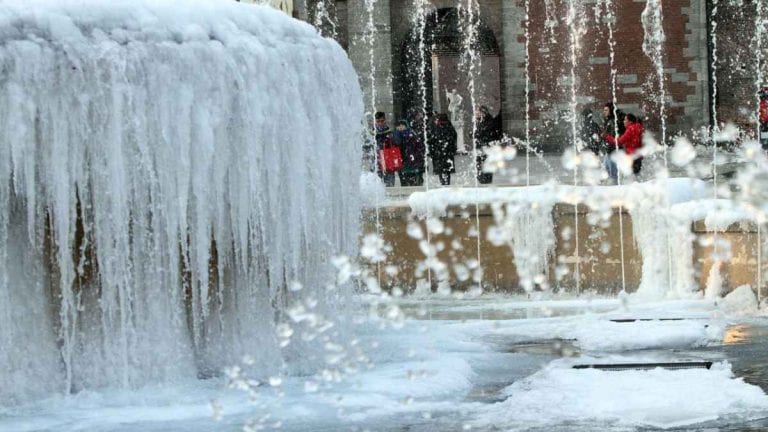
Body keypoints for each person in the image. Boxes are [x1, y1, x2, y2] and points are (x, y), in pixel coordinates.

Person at [603, 113, 644, 182]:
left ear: (630, 122)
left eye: (625, 120)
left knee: (630, 180)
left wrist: (607, 137)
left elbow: (618, 142)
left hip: (631, 157)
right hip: (637, 157)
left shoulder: (630, 129)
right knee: (635, 179)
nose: (623, 121)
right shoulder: (639, 128)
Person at [473, 106, 502, 184]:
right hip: (480, 145)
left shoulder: (489, 121)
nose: (476, 113)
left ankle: (486, 180)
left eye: (478, 112)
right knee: (479, 163)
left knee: (486, 162)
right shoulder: (479, 121)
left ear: (483, 113)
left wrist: (478, 134)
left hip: (487, 146)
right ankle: (482, 178)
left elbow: (489, 133)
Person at [393, 120, 426, 186]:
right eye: (399, 126)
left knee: (412, 178)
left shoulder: (411, 134)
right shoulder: (396, 135)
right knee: (404, 180)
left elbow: (418, 147)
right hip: (402, 160)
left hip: (411, 159)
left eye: (402, 126)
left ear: (406, 126)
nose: (400, 127)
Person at [428, 113, 457, 186]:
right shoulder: (448, 126)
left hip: (440, 152)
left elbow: (432, 138)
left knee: (442, 170)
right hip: (445, 152)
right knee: (446, 170)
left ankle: (444, 183)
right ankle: (446, 183)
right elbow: (453, 137)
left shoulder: (439, 127)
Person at [373, 111, 396, 186]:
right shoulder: (372, 132)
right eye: (378, 121)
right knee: (376, 182)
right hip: (376, 159)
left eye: (382, 121)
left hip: (387, 158)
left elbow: (395, 144)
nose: (380, 123)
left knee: (389, 183)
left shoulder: (389, 131)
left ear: (385, 120)